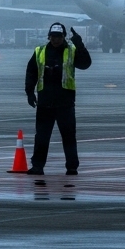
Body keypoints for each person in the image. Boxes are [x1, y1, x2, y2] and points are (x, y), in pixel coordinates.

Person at [25, 22, 93, 175]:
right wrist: (29, 92)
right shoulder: (40, 51)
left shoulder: (72, 50)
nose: (55, 39)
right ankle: (37, 166)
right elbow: (31, 72)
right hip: (45, 102)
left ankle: (72, 167)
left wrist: (80, 45)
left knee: (68, 137)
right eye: (53, 36)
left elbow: (85, 64)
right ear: (49, 37)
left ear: (64, 37)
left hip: (65, 102)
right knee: (41, 137)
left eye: (59, 36)